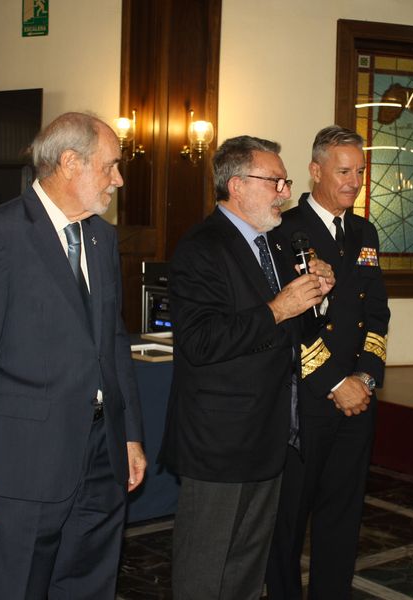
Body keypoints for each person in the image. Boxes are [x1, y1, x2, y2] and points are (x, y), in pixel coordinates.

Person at [0, 112, 147, 599]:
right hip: (26, 459)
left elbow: (113, 343)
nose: (118, 179)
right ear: (70, 163)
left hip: (102, 454)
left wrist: (130, 434)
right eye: (110, 166)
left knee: (91, 583)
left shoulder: (101, 237)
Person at [159, 135, 335, 600]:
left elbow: (293, 331)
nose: (284, 192)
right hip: (220, 440)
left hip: (269, 432)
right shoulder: (202, 246)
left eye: (286, 182)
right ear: (236, 185)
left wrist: (317, 295)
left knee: (246, 567)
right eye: (275, 181)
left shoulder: (275, 245)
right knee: (205, 568)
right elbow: (200, 341)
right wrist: (277, 309)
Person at [265, 125, 390, 600]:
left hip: (357, 397)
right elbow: (288, 324)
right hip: (307, 398)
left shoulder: (364, 231)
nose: (354, 182)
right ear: (315, 171)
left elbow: (376, 313)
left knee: (343, 515)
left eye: (360, 172)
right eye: (343, 172)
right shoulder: (282, 230)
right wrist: (337, 382)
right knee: (289, 518)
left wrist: (365, 377)